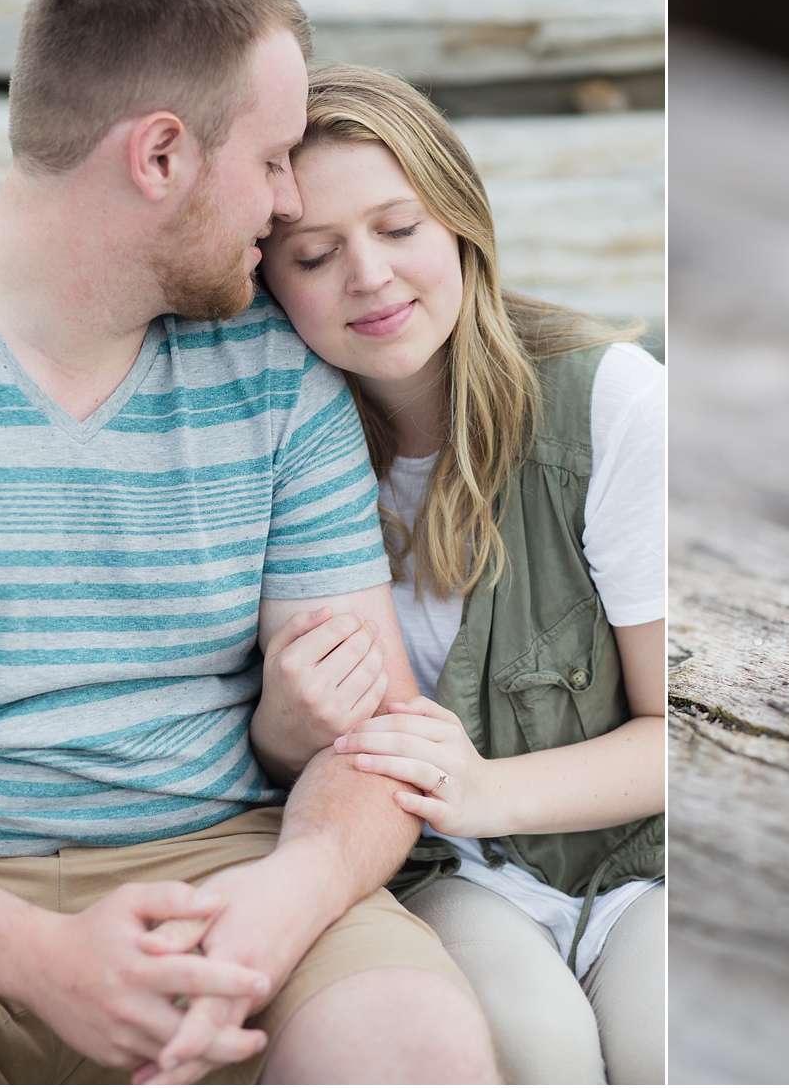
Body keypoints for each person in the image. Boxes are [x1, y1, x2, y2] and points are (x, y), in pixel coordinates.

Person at [0, 0, 497, 1084]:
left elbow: (374, 726)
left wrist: (289, 896)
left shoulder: (278, 370)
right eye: (274, 158)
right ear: (162, 156)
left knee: (416, 1050)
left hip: (228, 873)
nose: (289, 204)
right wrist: (39, 958)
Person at [256, 64, 666, 1084]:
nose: (370, 276)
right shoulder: (273, 447)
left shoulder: (610, 403)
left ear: (460, 223)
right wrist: (278, 726)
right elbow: (275, 770)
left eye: (399, 227)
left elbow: (683, 733)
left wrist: (487, 788)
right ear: (271, 280)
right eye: (315, 253)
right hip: (436, 873)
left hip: (633, 863)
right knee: (541, 1048)